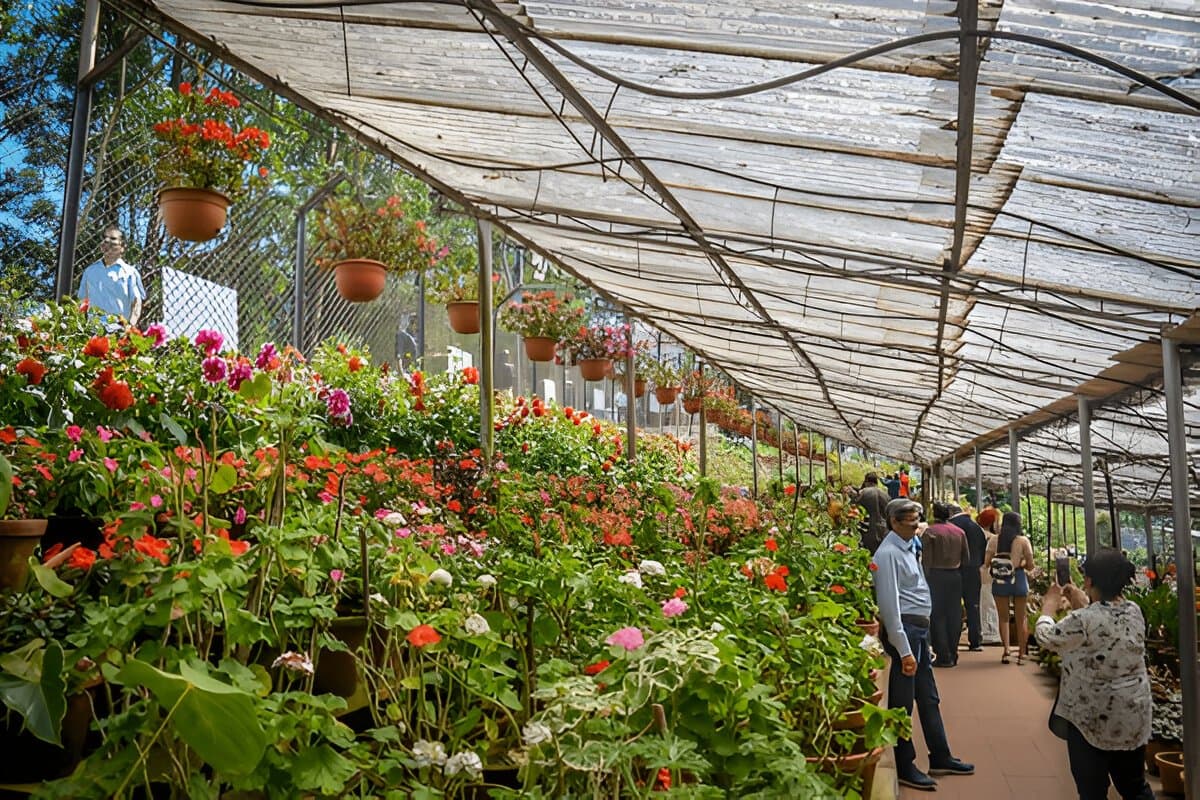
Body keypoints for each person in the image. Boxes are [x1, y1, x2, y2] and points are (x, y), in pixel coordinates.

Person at [872, 498, 974, 791]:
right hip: (907, 633)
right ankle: (905, 764)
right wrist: (903, 649)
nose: (916, 523)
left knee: (928, 697)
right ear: (893, 522)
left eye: (917, 518)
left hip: (919, 632)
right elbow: (889, 606)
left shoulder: (908, 547)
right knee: (903, 703)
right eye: (909, 519)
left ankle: (940, 755)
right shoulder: (888, 554)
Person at [1035, 549, 1153, 800]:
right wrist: (1085, 601)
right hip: (1132, 714)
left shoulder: (1082, 619)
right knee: (1134, 786)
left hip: (1091, 720)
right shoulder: (1134, 611)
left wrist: (1048, 608)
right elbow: (1105, 622)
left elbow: (1047, 637)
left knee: (1092, 791)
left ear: (1088, 581)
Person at [921, 502, 969, 667]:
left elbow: (925, 559)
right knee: (954, 615)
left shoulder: (930, 532)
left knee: (937, 615)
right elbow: (966, 558)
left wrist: (925, 578)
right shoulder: (959, 532)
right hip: (955, 576)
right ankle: (953, 652)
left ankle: (943, 655)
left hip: (936, 575)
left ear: (934, 514)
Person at [985, 511, 1035, 664]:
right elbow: (1031, 565)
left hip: (1000, 580)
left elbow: (987, 562)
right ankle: (1021, 653)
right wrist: (1019, 564)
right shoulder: (1023, 541)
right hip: (1018, 578)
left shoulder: (994, 540)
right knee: (1021, 618)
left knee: (1003, 617)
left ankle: (1006, 651)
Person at [79, 225, 145, 326]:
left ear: (122, 247)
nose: (107, 241)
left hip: (119, 331)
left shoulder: (130, 273)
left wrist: (130, 328)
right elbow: (82, 301)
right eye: (105, 238)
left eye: (113, 238)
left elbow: (136, 303)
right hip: (93, 331)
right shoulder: (90, 271)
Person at [949, 504, 988, 651]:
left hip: (955, 570)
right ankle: (976, 641)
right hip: (973, 571)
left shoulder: (951, 526)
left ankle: (952, 641)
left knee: (953, 606)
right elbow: (983, 549)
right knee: (973, 606)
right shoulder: (976, 527)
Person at [976, 507, 1002, 644]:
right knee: (990, 603)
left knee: (986, 602)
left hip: (985, 573)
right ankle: (991, 633)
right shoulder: (992, 538)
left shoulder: (979, 534)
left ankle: (989, 631)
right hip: (991, 573)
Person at [854, 472, 890, 553]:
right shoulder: (885, 494)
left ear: (866, 482)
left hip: (868, 529)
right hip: (883, 529)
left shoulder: (863, 492)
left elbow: (855, 509)